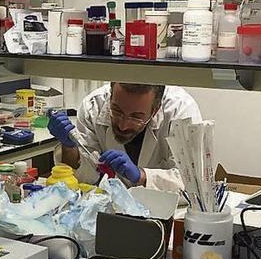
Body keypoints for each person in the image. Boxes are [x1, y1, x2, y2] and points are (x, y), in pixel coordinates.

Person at [48, 82, 202, 192]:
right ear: (110, 96)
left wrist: (141, 175)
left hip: (164, 216)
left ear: (155, 110)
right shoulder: (93, 106)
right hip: (110, 208)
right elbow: (85, 178)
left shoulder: (181, 111)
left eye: (136, 117)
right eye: (116, 111)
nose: (123, 125)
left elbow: (193, 183)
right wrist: (69, 147)